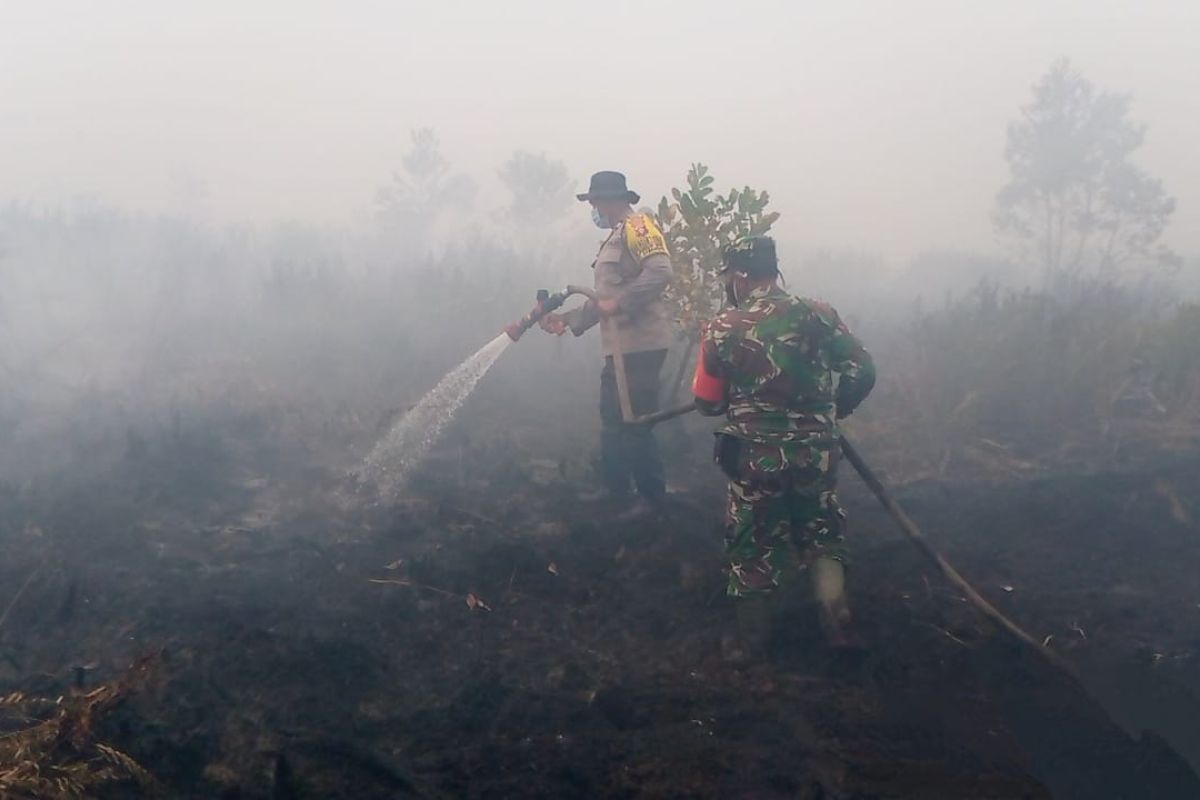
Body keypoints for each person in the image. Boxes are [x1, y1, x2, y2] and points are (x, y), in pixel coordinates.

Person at [692, 236, 875, 658]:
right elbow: (863, 370)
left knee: (753, 544)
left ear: (739, 275)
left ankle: (750, 646)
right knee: (822, 531)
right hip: (817, 451)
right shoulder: (819, 314)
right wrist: (833, 410)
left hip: (756, 458)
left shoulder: (723, 327)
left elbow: (706, 401)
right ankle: (837, 622)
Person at [540, 171, 672, 521]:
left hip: (641, 346)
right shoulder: (614, 237)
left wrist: (622, 302)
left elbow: (660, 272)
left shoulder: (638, 227)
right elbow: (604, 298)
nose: (593, 208)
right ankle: (615, 491)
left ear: (611, 200)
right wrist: (568, 321)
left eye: (594, 201)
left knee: (636, 420)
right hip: (620, 345)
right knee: (613, 417)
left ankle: (651, 497)